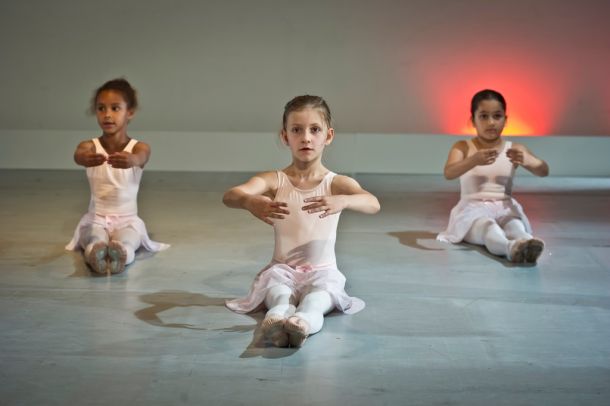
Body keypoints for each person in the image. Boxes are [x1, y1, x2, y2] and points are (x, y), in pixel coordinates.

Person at [223, 95, 380, 347]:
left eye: (314, 130)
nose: (306, 138)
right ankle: (275, 322)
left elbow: (372, 203)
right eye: (297, 130)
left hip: (323, 272)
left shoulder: (336, 183)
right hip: (282, 271)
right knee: (279, 297)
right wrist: (249, 201)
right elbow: (231, 195)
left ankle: (302, 324)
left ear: (328, 136)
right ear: (285, 136)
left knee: (315, 302)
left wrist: (343, 200)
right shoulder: (275, 180)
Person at [66, 78, 169, 274]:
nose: (107, 115)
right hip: (96, 218)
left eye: (115, 108)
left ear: (130, 112)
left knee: (128, 239)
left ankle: (122, 254)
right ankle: (94, 251)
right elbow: (78, 155)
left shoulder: (138, 147)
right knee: (93, 236)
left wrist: (132, 160)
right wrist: (85, 158)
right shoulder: (89, 146)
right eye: (101, 108)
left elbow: (142, 156)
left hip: (127, 220)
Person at [437, 89, 549, 263]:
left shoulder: (514, 148)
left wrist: (529, 160)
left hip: (505, 207)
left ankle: (527, 243)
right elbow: (449, 173)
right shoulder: (463, 147)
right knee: (488, 228)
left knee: (516, 227)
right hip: (472, 210)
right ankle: (510, 248)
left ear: (505, 119)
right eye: (483, 116)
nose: (491, 122)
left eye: (497, 116)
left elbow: (543, 171)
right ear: (473, 120)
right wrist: (473, 160)